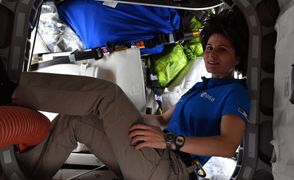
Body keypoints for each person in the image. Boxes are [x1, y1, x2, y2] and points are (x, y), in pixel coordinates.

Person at [0, 8, 249, 180]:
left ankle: (11, 89)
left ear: (237, 57)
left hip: (172, 171)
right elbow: (162, 121)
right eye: (209, 47)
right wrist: (119, 116)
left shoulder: (235, 93)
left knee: (108, 95)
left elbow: (228, 146)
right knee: (76, 120)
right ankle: (24, 173)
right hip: (157, 157)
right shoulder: (199, 88)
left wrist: (169, 141)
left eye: (222, 49)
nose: (211, 55)